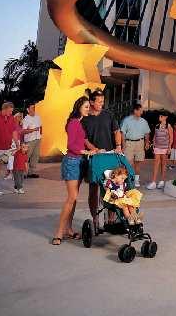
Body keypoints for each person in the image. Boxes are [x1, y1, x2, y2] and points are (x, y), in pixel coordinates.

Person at [52, 96, 97, 246]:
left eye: (88, 107)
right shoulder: (73, 123)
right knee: (72, 197)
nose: (88, 109)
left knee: (74, 198)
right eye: (86, 107)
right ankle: (59, 232)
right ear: (79, 107)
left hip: (80, 161)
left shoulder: (79, 122)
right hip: (72, 162)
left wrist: (94, 149)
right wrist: (86, 152)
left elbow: (81, 141)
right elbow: (71, 145)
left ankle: (69, 229)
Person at [82, 88, 122, 230]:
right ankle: (95, 219)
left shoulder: (108, 115)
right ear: (92, 102)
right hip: (94, 158)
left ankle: (111, 220)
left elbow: (116, 131)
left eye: (103, 101)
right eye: (99, 101)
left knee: (112, 187)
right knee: (93, 190)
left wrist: (118, 146)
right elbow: (84, 139)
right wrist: (95, 149)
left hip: (109, 156)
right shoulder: (85, 118)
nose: (101, 104)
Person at [121, 102, 150, 189]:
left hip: (140, 143)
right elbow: (122, 133)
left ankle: (136, 180)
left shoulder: (143, 121)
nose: (142, 112)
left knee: (138, 162)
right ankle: (128, 180)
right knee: (128, 163)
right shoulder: (126, 120)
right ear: (135, 111)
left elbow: (147, 133)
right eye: (140, 110)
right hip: (129, 143)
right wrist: (123, 145)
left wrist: (147, 142)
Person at [147, 113, 173, 190]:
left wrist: (169, 148)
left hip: (165, 148)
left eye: (161, 116)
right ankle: (153, 182)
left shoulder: (169, 126)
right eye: (159, 116)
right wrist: (153, 145)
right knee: (156, 164)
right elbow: (155, 136)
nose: (160, 117)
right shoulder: (157, 126)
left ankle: (162, 181)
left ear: (166, 117)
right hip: (157, 147)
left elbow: (171, 138)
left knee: (163, 164)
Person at [22, 103, 42, 178]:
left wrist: (40, 135)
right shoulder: (26, 119)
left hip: (38, 139)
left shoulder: (38, 117)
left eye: (34, 107)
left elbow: (40, 126)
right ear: (28, 109)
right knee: (26, 157)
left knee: (35, 156)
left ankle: (31, 172)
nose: (34, 109)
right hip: (29, 140)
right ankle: (23, 173)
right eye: (32, 108)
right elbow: (23, 131)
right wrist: (33, 130)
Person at [4, 112, 24, 180]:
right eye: (19, 116)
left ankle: (11, 173)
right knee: (11, 157)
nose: (20, 118)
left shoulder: (19, 125)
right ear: (15, 117)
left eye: (21, 117)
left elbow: (21, 134)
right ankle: (11, 173)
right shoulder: (13, 125)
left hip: (17, 142)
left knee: (13, 158)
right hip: (13, 142)